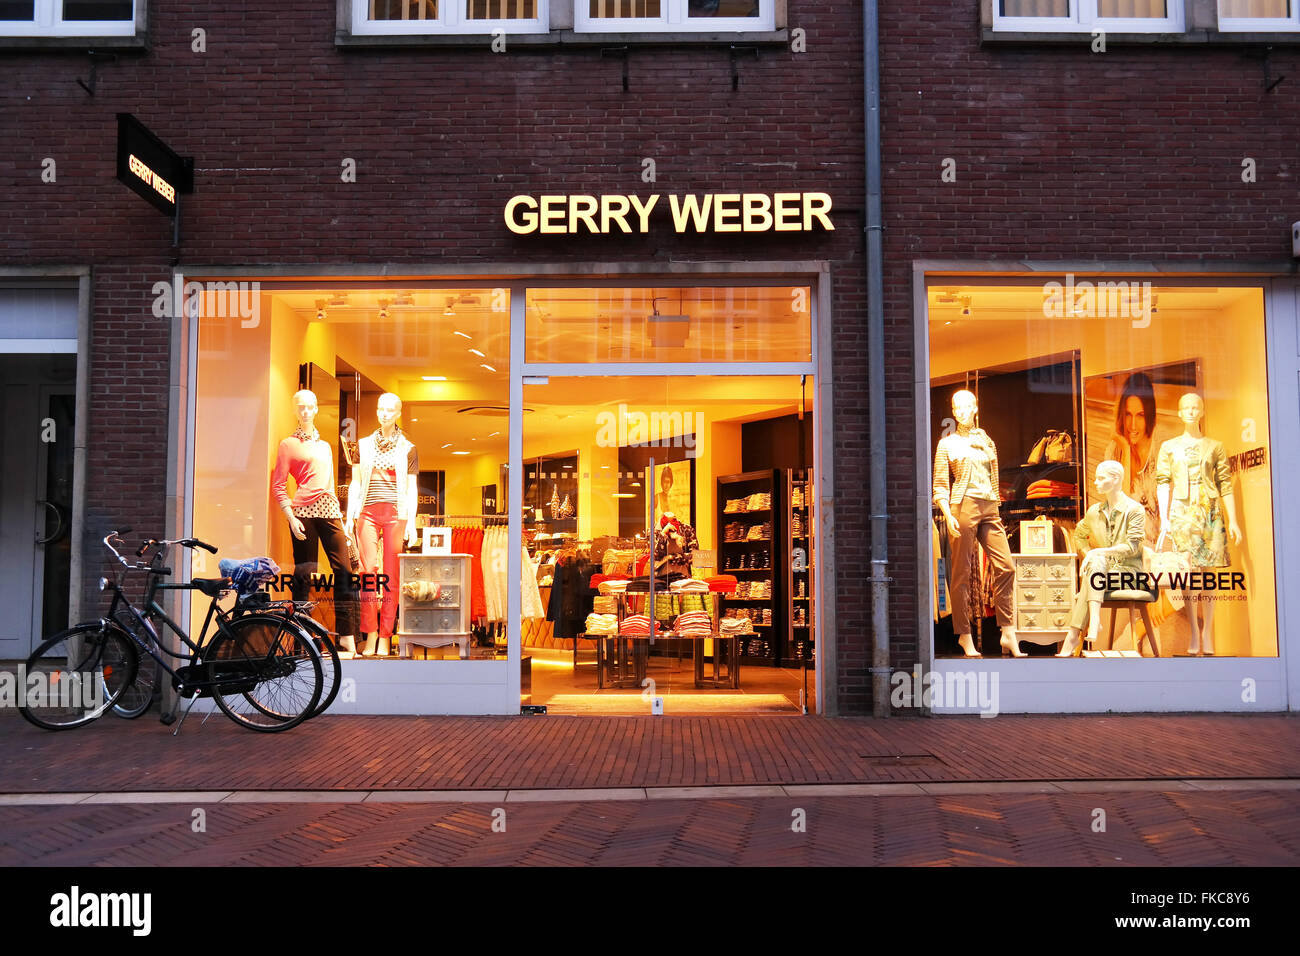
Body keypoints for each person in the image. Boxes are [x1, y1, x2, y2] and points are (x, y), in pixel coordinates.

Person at [932, 389, 1022, 657]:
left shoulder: (987, 441)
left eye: (965, 406)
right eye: (955, 407)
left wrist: (995, 502)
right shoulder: (947, 444)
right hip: (963, 505)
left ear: (975, 408)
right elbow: (940, 485)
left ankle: (1007, 630)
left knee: (1006, 566)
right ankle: (964, 634)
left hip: (989, 505)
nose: (959, 411)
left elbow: (993, 477)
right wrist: (948, 515)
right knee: (961, 573)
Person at [270, 389, 359, 658]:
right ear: (295, 410)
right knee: (303, 575)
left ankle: (347, 638)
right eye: (301, 407)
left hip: (329, 508)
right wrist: (291, 516)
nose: (306, 411)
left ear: (317, 408)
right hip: (302, 512)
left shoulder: (325, 446)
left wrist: (342, 522)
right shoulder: (288, 444)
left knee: (344, 571)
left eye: (310, 406)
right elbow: (278, 485)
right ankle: (301, 639)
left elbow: (329, 485)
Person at [1156, 392, 1241, 656]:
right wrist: (1164, 520)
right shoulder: (1169, 447)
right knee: (1190, 575)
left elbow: (1225, 484)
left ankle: (1208, 632)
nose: (1191, 411)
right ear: (1179, 413)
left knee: (1210, 574)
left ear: (1202, 411)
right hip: (1182, 513)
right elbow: (1162, 482)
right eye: (1186, 408)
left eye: (1196, 407)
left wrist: (1235, 521)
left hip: (1210, 511)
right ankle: (1195, 630)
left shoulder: (1215, 446)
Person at [347, 392, 419, 657]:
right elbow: (356, 482)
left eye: (390, 410)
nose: (384, 414)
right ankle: (371, 632)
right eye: (381, 409)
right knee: (368, 573)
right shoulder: (362, 445)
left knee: (391, 576)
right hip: (366, 512)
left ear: (398, 413)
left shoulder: (408, 448)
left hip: (395, 515)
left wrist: (411, 521)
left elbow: (411, 489)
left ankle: (386, 634)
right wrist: (349, 514)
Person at [1058, 460, 1152, 657]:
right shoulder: (1094, 512)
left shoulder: (1134, 510)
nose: (1095, 482)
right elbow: (1079, 535)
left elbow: (1132, 547)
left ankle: (1075, 633)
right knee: (1097, 565)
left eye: (1101, 478)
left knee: (1094, 573)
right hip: (1103, 572)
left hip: (1130, 574)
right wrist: (1088, 553)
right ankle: (1093, 621)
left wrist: (1096, 552)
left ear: (1115, 478)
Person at [1102, 371, 1161, 547]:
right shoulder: (1115, 451)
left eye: (1140, 415)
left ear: (1149, 415)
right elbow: (1120, 504)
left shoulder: (1159, 450)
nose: (1133, 425)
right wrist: (1126, 450)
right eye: (1128, 414)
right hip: (1123, 547)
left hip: (1157, 551)